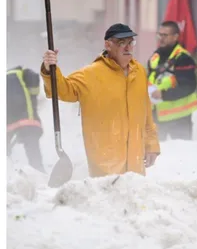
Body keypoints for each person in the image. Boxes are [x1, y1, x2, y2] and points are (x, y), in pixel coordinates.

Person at [41, 23, 160, 177]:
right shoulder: (91, 74)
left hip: (135, 167)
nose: (128, 48)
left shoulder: (139, 73)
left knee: (134, 199)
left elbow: (146, 114)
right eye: (121, 43)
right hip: (105, 165)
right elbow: (62, 90)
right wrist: (49, 69)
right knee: (105, 200)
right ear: (108, 45)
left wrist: (151, 146)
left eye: (130, 42)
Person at [147, 21, 197, 141]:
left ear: (175, 36)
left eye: (165, 35)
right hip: (157, 117)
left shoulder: (183, 58)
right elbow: (151, 79)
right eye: (160, 35)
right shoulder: (156, 56)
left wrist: (163, 94)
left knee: (181, 155)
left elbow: (188, 86)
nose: (161, 38)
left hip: (179, 119)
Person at [7, 66, 45, 173]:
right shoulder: (24, 73)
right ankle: (39, 171)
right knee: (32, 148)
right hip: (27, 120)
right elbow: (35, 90)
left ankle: (9, 174)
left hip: (8, 124)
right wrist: (33, 97)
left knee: (5, 151)